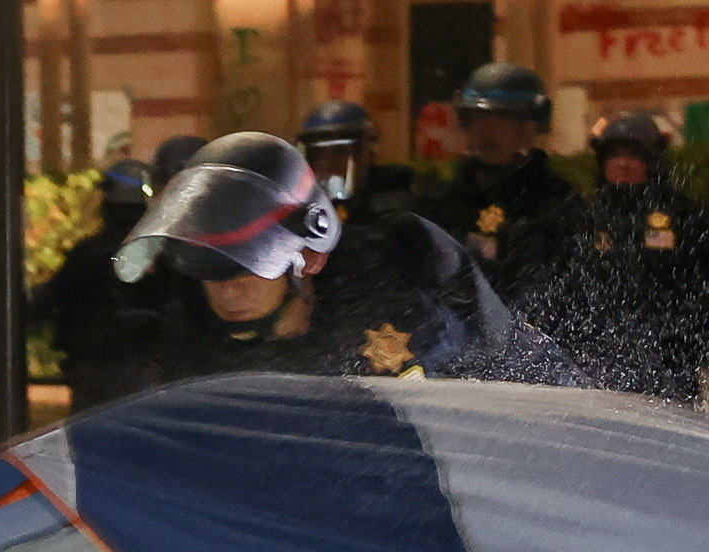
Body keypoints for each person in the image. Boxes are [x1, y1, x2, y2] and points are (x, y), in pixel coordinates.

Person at [127, 131, 564, 382]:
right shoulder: (193, 335)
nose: (227, 291)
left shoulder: (401, 266)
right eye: (210, 273)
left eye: (246, 268)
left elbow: (519, 364)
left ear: (307, 255)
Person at [523, 110, 709, 402]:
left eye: (634, 156)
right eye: (615, 156)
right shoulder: (582, 220)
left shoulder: (688, 219)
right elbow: (560, 292)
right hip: (595, 366)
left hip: (670, 367)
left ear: (653, 161)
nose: (623, 165)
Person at [419, 62, 582, 299]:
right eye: (478, 119)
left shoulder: (558, 204)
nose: (487, 132)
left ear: (529, 127)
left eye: (501, 120)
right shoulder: (442, 203)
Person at [28, 159, 171, 412]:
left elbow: (54, 297)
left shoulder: (88, 253)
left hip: (94, 366)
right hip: (152, 365)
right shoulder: (165, 254)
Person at [298, 99, 419, 224]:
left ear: (368, 154)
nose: (327, 162)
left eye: (340, 151)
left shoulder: (391, 209)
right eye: (317, 153)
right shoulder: (307, 208)